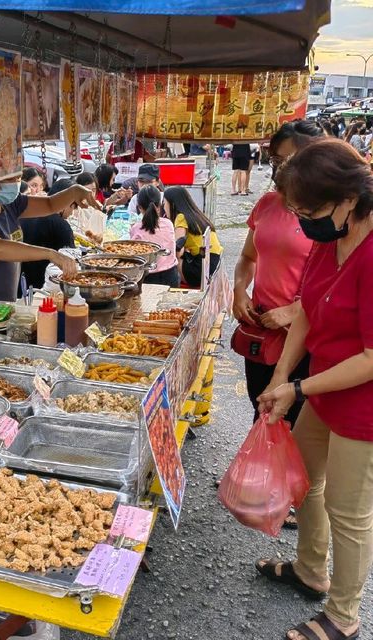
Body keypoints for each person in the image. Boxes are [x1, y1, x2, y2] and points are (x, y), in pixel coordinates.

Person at [255, 138, 373, 640]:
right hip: (322, 385)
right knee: (305, 481)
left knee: (350, 511)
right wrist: (281, 375)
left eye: (312, 210)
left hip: (362, 405)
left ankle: (344, 616)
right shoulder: (330, 239)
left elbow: (371, 358)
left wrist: (298, 387)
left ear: (348, 198)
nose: (305, 221)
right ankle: (310, 571)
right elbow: (304, 310)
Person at [233, 120, 324, 424]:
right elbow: (247, 257)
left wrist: (293, 310)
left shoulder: (327, 215)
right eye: (275, 160)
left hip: (302, 338)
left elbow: (333, 284)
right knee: (260, 409)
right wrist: (239, 291)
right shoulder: (267, 204)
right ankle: (263, 469)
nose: (280, 168)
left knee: (291, 421)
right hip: (259, 330)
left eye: (289, 160)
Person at [0, 159, 99, 312]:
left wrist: (75, 191)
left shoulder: (9, 203)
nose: (15, 183)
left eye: (18, 177)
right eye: (10, 179)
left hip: (4, 305)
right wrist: (50, 253)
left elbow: (49, 205)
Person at [19, 178, 76, 289]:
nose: (72, 212)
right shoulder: (61, 226)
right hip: (43, 287)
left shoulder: (27, 213)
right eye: (73, 206)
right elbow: (71, 263)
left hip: (19, 283)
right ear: (66, 203)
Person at [163, 186, 222, 287]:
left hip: (201, 269)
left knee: (172, 259)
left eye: (164, 203)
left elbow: (176, 248)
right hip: (214, 261)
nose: (163, 207)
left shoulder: (181, 217)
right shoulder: (196, 215)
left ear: (172, 204)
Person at [130, 185, 179, 287]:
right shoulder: (168, 224)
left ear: (139, 207)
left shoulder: (136, 228)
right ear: (160, 205)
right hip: (171, 276)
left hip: (147, 278)